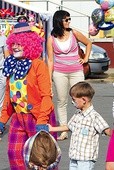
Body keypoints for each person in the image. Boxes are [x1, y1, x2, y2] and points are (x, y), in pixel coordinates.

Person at [0, 21, 57, 169]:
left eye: (20, 44)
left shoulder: (38, 65)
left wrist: (42, 120)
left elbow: (46, 96)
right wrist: (3, 120)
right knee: (14, 154)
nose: (15, 47)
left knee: (42, 157)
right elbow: (9, 96)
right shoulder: (11, 64)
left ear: (29, 44)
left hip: (37, 117)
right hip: (18, 117)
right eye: (14, 44)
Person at [47, 10, 92, 140]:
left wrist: (86, 58)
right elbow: (50, 60)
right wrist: (49, 79)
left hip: (76, 71)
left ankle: (84, 126)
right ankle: (64, 130)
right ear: (59, 21)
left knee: (82, 98)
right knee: (62, 101)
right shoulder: (51, 39)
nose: (68, 22)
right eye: (66, 19)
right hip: (59, 73)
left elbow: (89, 43)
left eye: (69, 19)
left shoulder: (74, 33)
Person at [48, 81, 111, 170]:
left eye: (74, 100)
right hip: (74, 157)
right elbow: (68, 127)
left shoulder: (95, 117)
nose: (72, 102)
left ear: (84, 100)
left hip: (86, 160)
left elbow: (106, 130)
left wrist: (111, 133)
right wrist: (52, 129)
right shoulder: (77, 114)